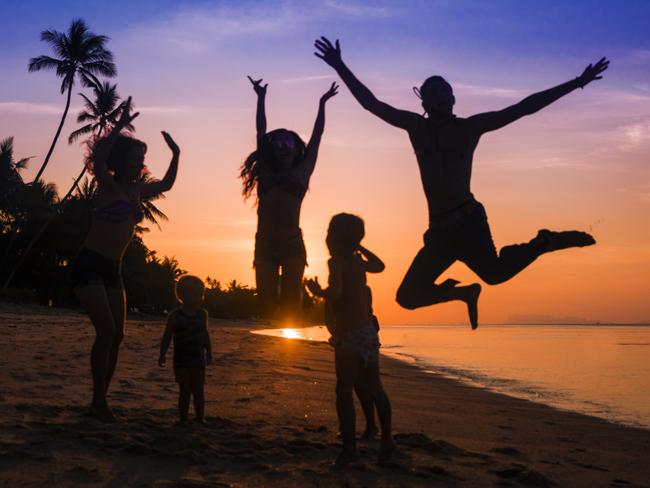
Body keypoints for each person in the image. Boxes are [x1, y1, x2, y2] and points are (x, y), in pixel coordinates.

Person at [314, 37, 607, 329]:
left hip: (469, 222)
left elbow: (524, 107)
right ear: (424, 102)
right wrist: (340, 64)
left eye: (446, 91)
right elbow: (371, 104)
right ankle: (462, 293)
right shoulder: (416, 127)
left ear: (454, 99)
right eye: (434, 92)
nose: (441, 96)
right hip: (440, 231)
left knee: (494, 274)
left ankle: (544, 242)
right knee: (407, 296)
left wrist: (577, 82)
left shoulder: (470, 127)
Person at [71, 99, 180, 421]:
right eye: (135, 158)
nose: (140, 163)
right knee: (106, 331)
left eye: (142, 159)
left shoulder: (136, 191)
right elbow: (100, 157)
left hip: (113, 271)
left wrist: (176, 154)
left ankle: (98, 401)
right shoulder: (107, 184)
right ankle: (98, 401)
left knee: (117, 336)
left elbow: (168, 184)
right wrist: (118, 125)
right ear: (122, 161)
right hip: (90, 264)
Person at [242, 76, 338, 321]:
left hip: (292, 244)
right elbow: (260, 130)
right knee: (266, 303)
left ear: (296, 148)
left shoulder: (303, 171)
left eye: (289, 142)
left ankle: (287, 346)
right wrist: (261, 98)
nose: (284, 146)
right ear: (272, 147)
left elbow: (317, 136)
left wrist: (322, 103)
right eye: (279, 142)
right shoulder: (266, 169)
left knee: (289, 304)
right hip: (264, 244)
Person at [307, 213, 394, 467]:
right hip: (368, 333)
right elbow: (380, 266)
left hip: (350, 337)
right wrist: (359, 246)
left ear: (333, 237)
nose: (326, 238)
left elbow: (336, 293)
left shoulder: (336, 262)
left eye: (329, 232)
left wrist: (317, 292)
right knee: (375, 388)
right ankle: (387, 440)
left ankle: (350, 449)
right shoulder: (358, 261)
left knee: (343, 391)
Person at [159, 275, 213, 425]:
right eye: (195, 294)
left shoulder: (202, 315)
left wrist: (209, 352)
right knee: (185, 390)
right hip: (181, 359)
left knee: (198, 390)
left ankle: (200, 417)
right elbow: (167, 336)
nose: (199, 298)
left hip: (197, 358)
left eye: (201, 294)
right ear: (182, 296)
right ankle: (183, 418)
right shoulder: (175, 316)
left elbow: (205, 334)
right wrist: (162, 354)